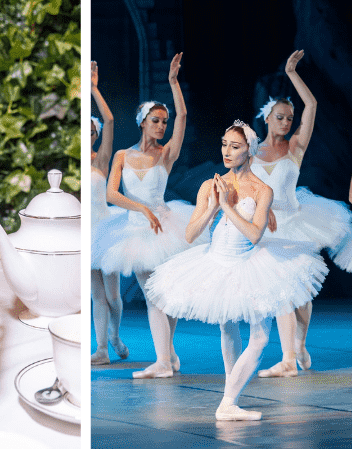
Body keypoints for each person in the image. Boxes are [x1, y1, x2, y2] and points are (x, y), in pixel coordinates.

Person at [145, 121, 328, 420]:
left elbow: (255, 234)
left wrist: (227, 206)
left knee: (260, 337)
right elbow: (190, 235)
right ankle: (229, 401)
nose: (227, 151)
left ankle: (230, 399)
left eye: (235, 146)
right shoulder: (210, 185)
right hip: (216, 261)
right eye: (224, 144)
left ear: (249, 151)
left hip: (250, 263)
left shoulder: (261, 190)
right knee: (227, 327)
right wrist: (213, 207)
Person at [92, 52, 200, 378]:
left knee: (167, 294)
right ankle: (165, 361)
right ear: (142, 122)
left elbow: (183, 115)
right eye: (156, 120)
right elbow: (112, 194)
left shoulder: (166, 155)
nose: (162, 126)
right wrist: (139, 207)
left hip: (166, 227)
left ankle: (167, 357)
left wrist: (173, 83)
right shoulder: (124, 155)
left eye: (164, 121)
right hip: (134, 231)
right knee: (153, 294)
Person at [250, 50, 352, 378]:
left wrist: (292, 73)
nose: (285, 122)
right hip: (267, 228)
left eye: (288, 118)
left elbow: (312, 107)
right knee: (282, 290)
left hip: (297, 222)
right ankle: (287, 359)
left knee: (301, 292)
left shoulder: (295, 147)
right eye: (279, 116)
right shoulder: (251, 153)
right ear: (266, 118)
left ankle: (299, 344)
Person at [90, 61, 128, 365]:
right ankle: (101, 348)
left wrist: (93, 89)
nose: (87, 134)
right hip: (86, 232)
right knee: (96, 294)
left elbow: (111, 120)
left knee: (113, 296)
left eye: (92, 130)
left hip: (105, 229)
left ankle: (115, 335)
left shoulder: (100, 160)